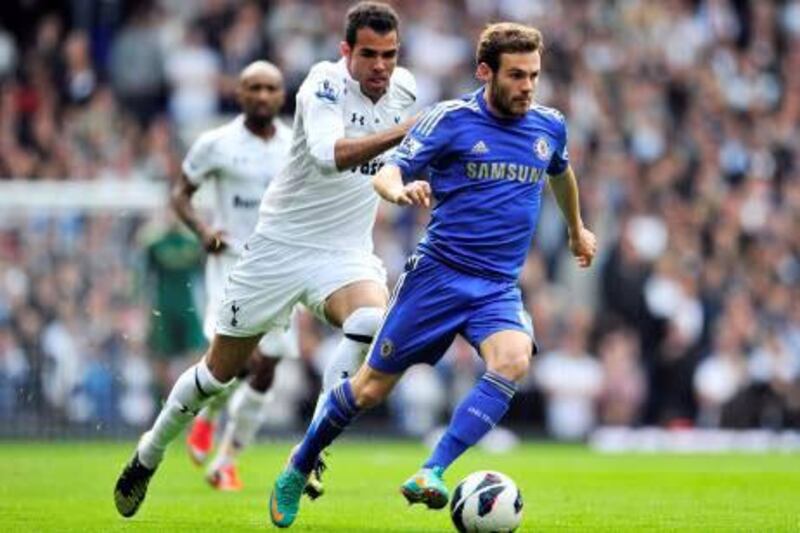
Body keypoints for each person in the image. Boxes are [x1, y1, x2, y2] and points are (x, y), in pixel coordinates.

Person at [269, 22, 597, 528]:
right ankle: (301, 460)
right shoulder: (450, 121)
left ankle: (433, 470)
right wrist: (398, 192)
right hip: (438, 278)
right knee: (370, 390)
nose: (527, 86)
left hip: (497, 288)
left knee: (512, 361)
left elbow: (561, 171)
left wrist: (576, 230)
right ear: (485, 72)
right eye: (516, 75)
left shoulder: (549, 125)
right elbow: (389, 170)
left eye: (533, 75)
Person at [114, 1, 417, 518]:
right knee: (218, 374)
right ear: (347, 52)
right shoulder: (322, 84)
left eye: (389, 54)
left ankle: (309, 454)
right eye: (369, 54)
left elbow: (401, 159)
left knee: (371, 320)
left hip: (344, 252)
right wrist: (409, 129)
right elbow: (330, 155)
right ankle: (150, 452)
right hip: (277, 248)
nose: (381, 66)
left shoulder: (406, 92)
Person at [171, 60, 297, 491]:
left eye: (270, 88)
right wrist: (203, 231)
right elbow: (180, 194)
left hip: (280, 268)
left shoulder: (297, 145)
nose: (262, 95)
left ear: (282, 95)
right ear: (239, 94)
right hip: (231, 265)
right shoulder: (216, 143)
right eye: (253, 88)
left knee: (267, 370)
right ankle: (206, 417)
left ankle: (225, 461)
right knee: (245, 359)